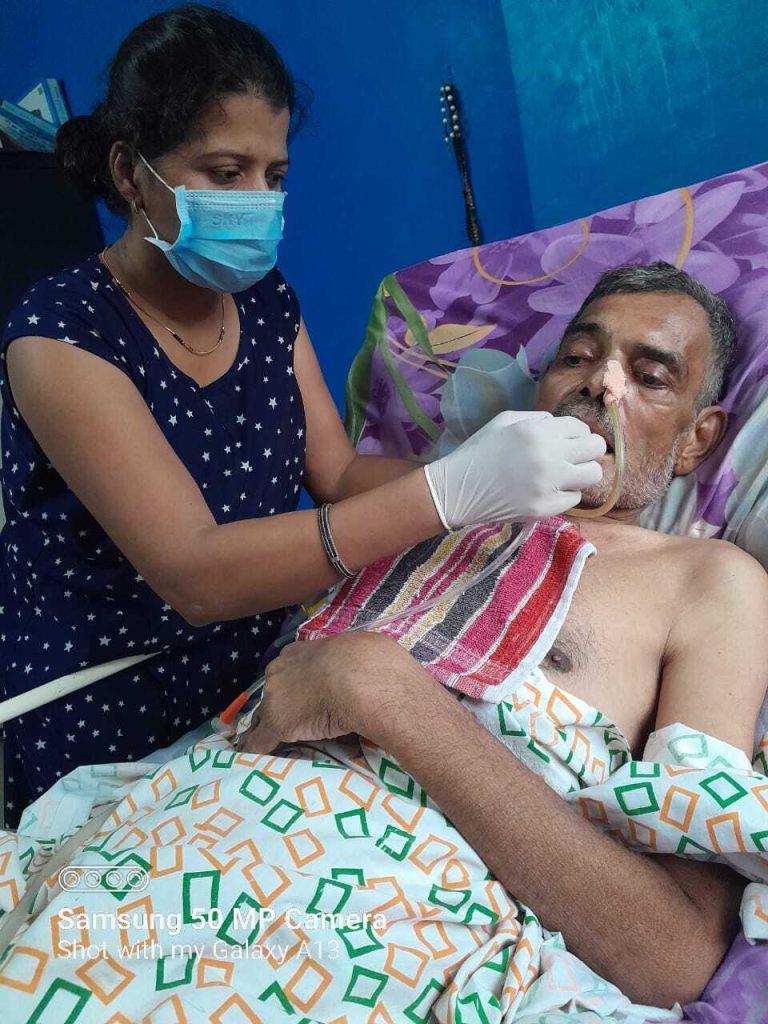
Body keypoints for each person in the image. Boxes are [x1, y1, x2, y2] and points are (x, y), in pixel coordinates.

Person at [0, 5, 607, 827]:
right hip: (108, 703)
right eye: (226, 172)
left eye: (274, 175)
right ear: (130, 173)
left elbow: (338, 472)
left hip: (261, 667)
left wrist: (488, 471)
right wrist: (449, 493)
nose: (258, 201)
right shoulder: (60, 335)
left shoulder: (263, 302)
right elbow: (195, 573)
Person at [239, 262, 768, 1007]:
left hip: (376, 925)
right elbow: (327, 475)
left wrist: (378, 688)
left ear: (696, 440)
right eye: (577, 358)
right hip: (202, 825)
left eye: (649, 376)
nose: (600, 383)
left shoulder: (706, 581)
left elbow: (672, 955)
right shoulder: (432, 502)